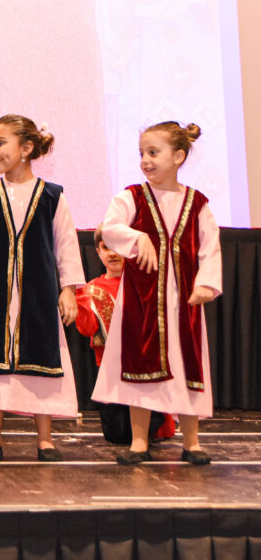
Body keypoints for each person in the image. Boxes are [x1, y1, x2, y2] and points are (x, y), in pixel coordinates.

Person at [0, 114, 84, 462]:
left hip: (38, 297)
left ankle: (45, 439)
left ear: (26, 148)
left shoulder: (52, 196)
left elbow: (66, 244)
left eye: (0, 143)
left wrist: (69, 289)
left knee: (41, 360)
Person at [93, 121, 221, 466]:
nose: (145, 160)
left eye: (153, 152)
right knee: (141, 364)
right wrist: (139, 237)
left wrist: (206, 283)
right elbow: (111, 227)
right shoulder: (132, 197)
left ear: (178, 156)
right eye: (142, 153)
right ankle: (139, 441)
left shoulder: (197, 203)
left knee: (187, 365)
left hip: (183, 303)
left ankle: (191, 441)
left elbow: (210, 246)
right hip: (142, 301)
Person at [75, 229, 174, 445]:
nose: (112, 253)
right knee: (118, 436)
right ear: (98, 252)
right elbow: (87, 329)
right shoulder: (91, 289)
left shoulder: (144, 285)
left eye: (117, 247)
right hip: (110, 372)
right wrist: (80, 299)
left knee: (151, 430)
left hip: (143, 368)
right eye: (106, 247)